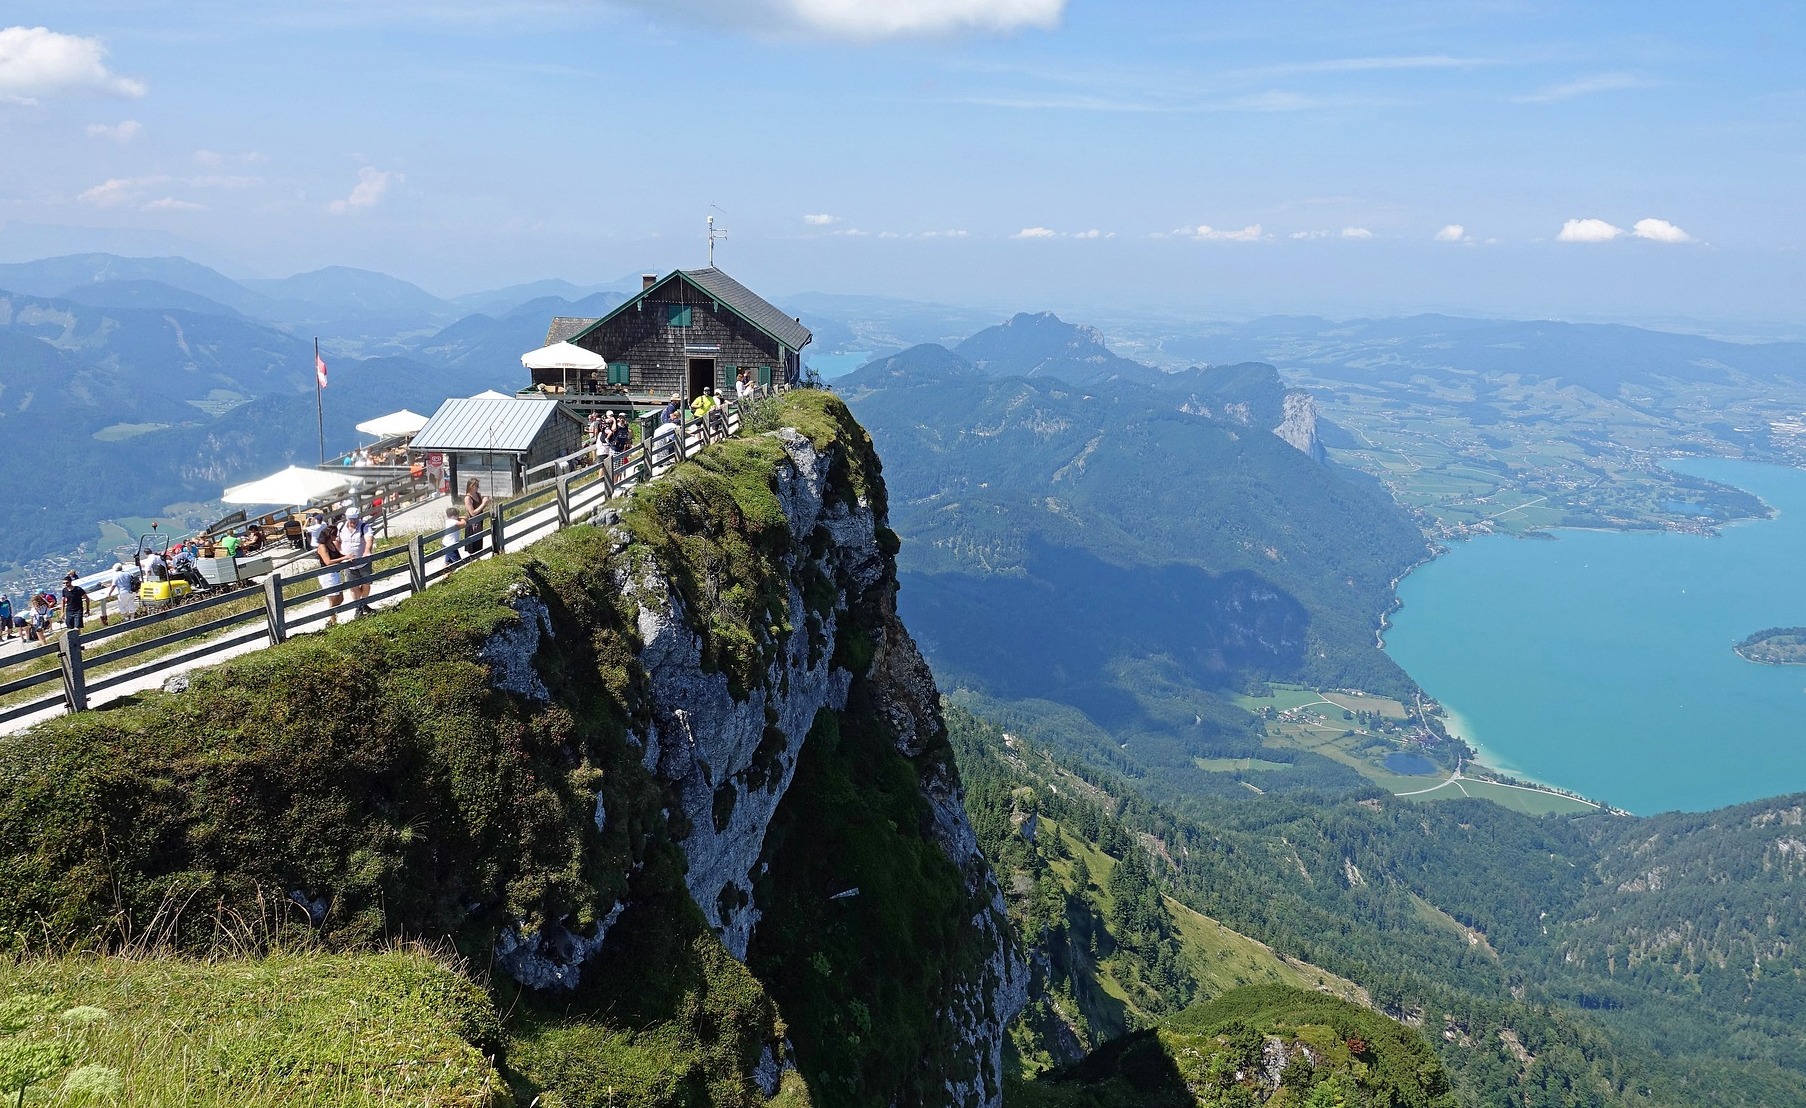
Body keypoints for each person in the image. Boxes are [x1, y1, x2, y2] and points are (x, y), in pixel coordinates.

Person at [337, 506, 374, 617]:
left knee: (366, 583)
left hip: (363, 561)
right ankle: (358, 607)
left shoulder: (364, 527)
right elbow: (337, 541)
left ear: (359, 517)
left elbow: (369, 540)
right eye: (350, 518)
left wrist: (367, 551)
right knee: (353, 586)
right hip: (348, 563)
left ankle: (364, 602)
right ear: (347, 518)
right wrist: (341, 554)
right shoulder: (341, 527)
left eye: (354, 518)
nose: (352, 521)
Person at [313, 517, 346, 628]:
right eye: (334, 535)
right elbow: (328, 562)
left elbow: (339, 556)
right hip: (327, 574)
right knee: (333, 599)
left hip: (335, 572)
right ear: (329, 535)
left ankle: (331, 618)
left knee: (340, 598)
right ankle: (333, 622)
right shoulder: (322, 547)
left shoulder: (332, 544)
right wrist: (344, 558)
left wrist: (347, 556)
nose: (335, 537)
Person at [463, 478, 490, 556]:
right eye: (475, 486)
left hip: (479, 521)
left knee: (479, 544)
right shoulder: (468, 498)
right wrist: (483, 504)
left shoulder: (477, 495)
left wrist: (486, 502)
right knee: (472, 547)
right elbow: (473, 513)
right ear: (470, 486)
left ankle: (478, 559)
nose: (477, 487)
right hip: (472, 524)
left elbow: (480, 509)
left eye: (477, 485)